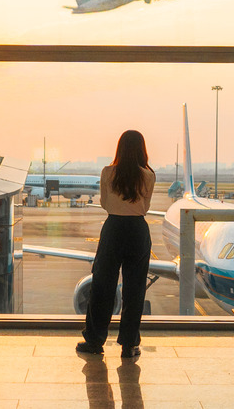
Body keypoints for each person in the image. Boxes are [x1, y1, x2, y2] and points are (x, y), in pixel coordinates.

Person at [77, 130, 156, 359]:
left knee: (102, 286)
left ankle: (94, 340)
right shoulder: (148, 175)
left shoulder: (107, 172)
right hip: (138, 230)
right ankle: (129, 345)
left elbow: (104, 203)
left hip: (113, 229)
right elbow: (146, 207)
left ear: (119, 148)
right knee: (135, 289)